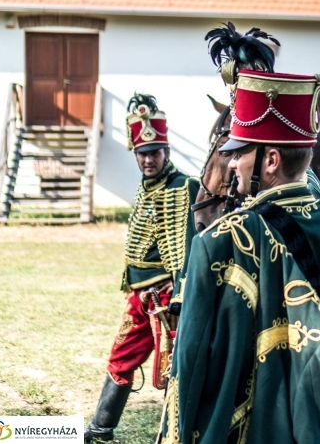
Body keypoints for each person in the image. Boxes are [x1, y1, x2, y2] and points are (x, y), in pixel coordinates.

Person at [158, 24, 320, 444]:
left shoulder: (214, 244)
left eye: (239, 153)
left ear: (270, 159)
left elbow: (192, 365)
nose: (232, 163)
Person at [85, 95, 198, 443]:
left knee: (172, 370)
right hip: (140, 295)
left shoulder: (183, 187)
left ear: (165, 151)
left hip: (167, 297)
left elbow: (186, 245)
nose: (149, 160)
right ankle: (101, 428)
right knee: (121, 355)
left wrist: (180, 295)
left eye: (155, 152)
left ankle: (173, 434)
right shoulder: (146, 186)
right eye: (143, 153)